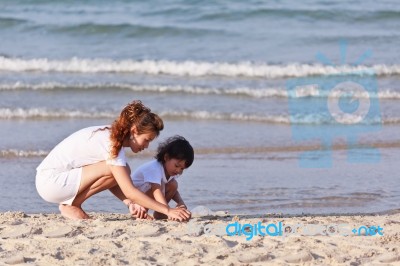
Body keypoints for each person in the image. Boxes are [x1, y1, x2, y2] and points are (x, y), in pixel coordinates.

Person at [35, 100, 191, 221]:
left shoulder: (114, 139)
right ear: (135, 131)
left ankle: (72, 203)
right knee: (117, 169)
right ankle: (72, 205)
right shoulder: (111, 143)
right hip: (51, 182)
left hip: (58, 181)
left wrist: (130, 204)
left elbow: (113, 181)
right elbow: (129, 190)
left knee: (123, 170)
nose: (147, 145)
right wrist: (168, 210)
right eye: (146, 139)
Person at [130, 135, 194, 220]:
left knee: (173, 184)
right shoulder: (155, 168)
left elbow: (173, 191)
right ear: (166, 157)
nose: (178, 170)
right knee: (161, 185)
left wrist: (180, 202)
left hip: (147, 193)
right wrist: (168, 211)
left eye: (182, 168)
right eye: (177, 165)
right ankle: (142, 212)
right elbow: (157, 191)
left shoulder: (169, 172)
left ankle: (160, 213)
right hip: (135, 198)